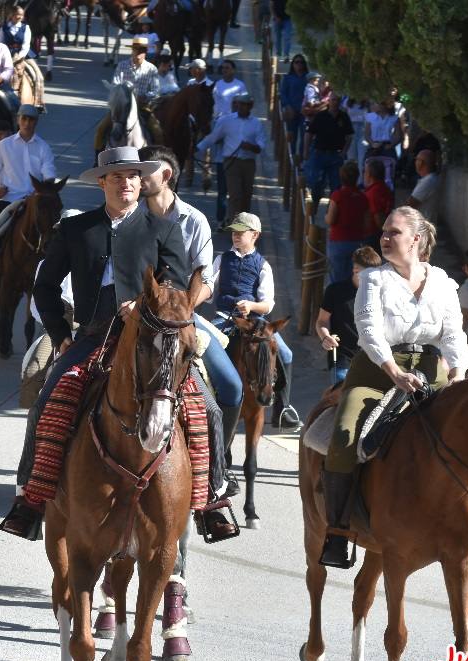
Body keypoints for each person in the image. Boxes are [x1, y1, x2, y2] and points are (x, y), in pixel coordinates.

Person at [0, 146, 192, 540]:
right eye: (117, 176)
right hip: (92, 336)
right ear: (101, 182)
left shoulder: (164, 228)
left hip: (153, 339)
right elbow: (45, 287)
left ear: (142, 183)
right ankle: (31, 498)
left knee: (205, 404)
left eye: (133, 176)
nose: (127, 183)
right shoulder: (75, 229)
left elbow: (177, 283)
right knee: (47, 401)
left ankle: (212, 497)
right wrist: (62, 336)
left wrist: (144, 305)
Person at [320, 206, 468, 570]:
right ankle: (338, 531)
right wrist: (393, 372)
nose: (385, 237)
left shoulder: (442, 282)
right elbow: (369, 331)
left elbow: (454, 332)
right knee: (345, 435)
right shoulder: (374, 280)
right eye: (384, 232)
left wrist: (458, 373)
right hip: (376, 371)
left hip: (429, 369)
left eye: (394, 232)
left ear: (417, 240)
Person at [139, 144, 244, 524]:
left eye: (142, 171)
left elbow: (206, 279)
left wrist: (183, 310)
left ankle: (216, 470)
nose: (135, 178)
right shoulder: (130, 215)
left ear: (164, 176)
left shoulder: (194, 220)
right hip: (136, 316)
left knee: (230, 389)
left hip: (183, 317)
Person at [210, 212, 300, 430]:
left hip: (255, 320)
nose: (236, 236)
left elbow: (268, 304)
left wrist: (251, 306)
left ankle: (282, 407)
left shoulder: (263, 265)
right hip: (224, 317)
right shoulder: (222, 259)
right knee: (200, 344)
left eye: (241, 232)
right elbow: (210, 288)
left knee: (286, 354)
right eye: (234, 232)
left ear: (255, 235)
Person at [0, 104, 55, 292]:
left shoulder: (43, 147)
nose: (27, 123)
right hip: (9, 198)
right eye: (24, 119)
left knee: (55, 230)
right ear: (18, 120)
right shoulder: (5, 145)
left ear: (36, 122)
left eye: (31, 120)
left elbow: (49, 175)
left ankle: (51, 276)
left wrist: (42, 191)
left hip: (33, 200)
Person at [194, 93, 265, 225]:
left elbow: (261, 146)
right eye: (241, 104)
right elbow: (213, 137)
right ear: (237, 105)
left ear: (251, 106)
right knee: (235, 194)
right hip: (231, 162)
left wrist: (251, 147)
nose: (243, 107)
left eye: (247, 105)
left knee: (246, 195)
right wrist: (197, 148)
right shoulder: (226, 121)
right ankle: (234, 224)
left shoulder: (256, 123)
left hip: (249, 163)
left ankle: (244, 223)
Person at [317, 246, 378, 384]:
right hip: (343, 359)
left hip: (374, 359)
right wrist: (325, 337)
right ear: (355, 271)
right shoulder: (335, 291)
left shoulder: (381, 293)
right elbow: (322, 321)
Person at [324, 161, 370, 284]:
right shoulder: (363, 198)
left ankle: (334, 302)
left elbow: (331, 219)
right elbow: (367, 224)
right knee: (353, 280)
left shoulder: (337, 196)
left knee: (336, 279)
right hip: (357, 242)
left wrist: (325, 217)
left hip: (338, 242)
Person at [302, 96, 351, 206]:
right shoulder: (321, 116)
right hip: (320, 154)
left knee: (336, 185)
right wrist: (305, 151)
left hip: (336, 155)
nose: (335, 102)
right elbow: (309, 133)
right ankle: (313, 208)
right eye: (333, 99)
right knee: (316, 183)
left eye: (337, 100)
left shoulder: (344, 117)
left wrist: (344, 152)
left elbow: (349, 136)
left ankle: (332, 212)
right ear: (329, 101)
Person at [278, 56, 309, 157]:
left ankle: (300, 158)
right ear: (293, 64)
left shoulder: (308, 78)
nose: (299, 64)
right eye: (296, 62)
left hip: (305, 112)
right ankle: (290, 158)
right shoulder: (288, 78)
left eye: (301, 62)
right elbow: (283, 94)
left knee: (305, 135)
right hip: (292, 112)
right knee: (292, 136)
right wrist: (287, 106)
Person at [405, 149, 440, 223]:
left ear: (421, 163)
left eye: (417, 160)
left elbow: (410, 204)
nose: (415, 162)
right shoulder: (431, 179)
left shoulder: (428, 181)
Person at [363, 158, 393, 234]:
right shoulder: (385, 188)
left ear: (369, 174)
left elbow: (379, 218)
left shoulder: (373, 192)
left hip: (373, 235)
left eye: (365, 172)